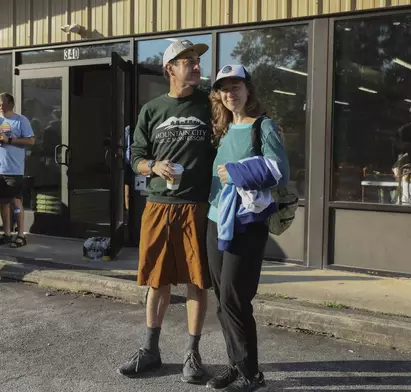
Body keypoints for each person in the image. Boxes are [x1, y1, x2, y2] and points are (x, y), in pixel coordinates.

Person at [118, 40, 216, 384]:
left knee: (196, 280)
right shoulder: (152, 110)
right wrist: (153, 166)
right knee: (156, 280)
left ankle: (192, 353)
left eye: (196, 61)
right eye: (187, 61)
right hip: (159, 206)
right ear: (169, 69)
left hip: (197, 206)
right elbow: (136, 158)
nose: (195, 65)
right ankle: (150, 350)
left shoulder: (211, 105)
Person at [205, 64, 290, 392]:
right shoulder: (224, 130)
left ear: (248, 89)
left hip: (247, 224)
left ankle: (251, 374)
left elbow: (278, 170)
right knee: (222, 299)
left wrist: (236, 172)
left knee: (235, 298)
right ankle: (235, 365)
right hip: (216, 220)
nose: (231, 93)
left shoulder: (263, 127)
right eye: (224, 88)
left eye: (236, 86)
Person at [0, 92, 35, 248]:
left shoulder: (20, 120)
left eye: (3, 103)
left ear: (11, 104)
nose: (1, 106)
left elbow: (31, 140)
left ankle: (20, 234)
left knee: (16, 202)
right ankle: (7, 233)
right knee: (3, 203)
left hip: (14, 169)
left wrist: (9, 140)